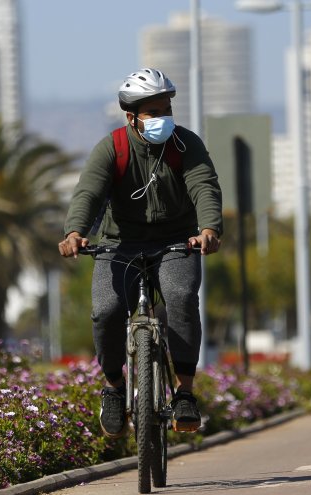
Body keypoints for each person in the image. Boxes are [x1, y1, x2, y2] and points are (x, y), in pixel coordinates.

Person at [58, 68, 223, 437]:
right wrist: (75, 233)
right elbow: (89, 193)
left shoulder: (186, 145)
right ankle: (115, 390)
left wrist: (209, 229)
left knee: (181, 297)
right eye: (153, 113)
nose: (163, 119)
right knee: (106, 311)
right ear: (131, 117)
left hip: (176, 242)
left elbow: (204, 187)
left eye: (166, 109)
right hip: (119, 244)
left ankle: (184, 393)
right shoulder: (112, 148)